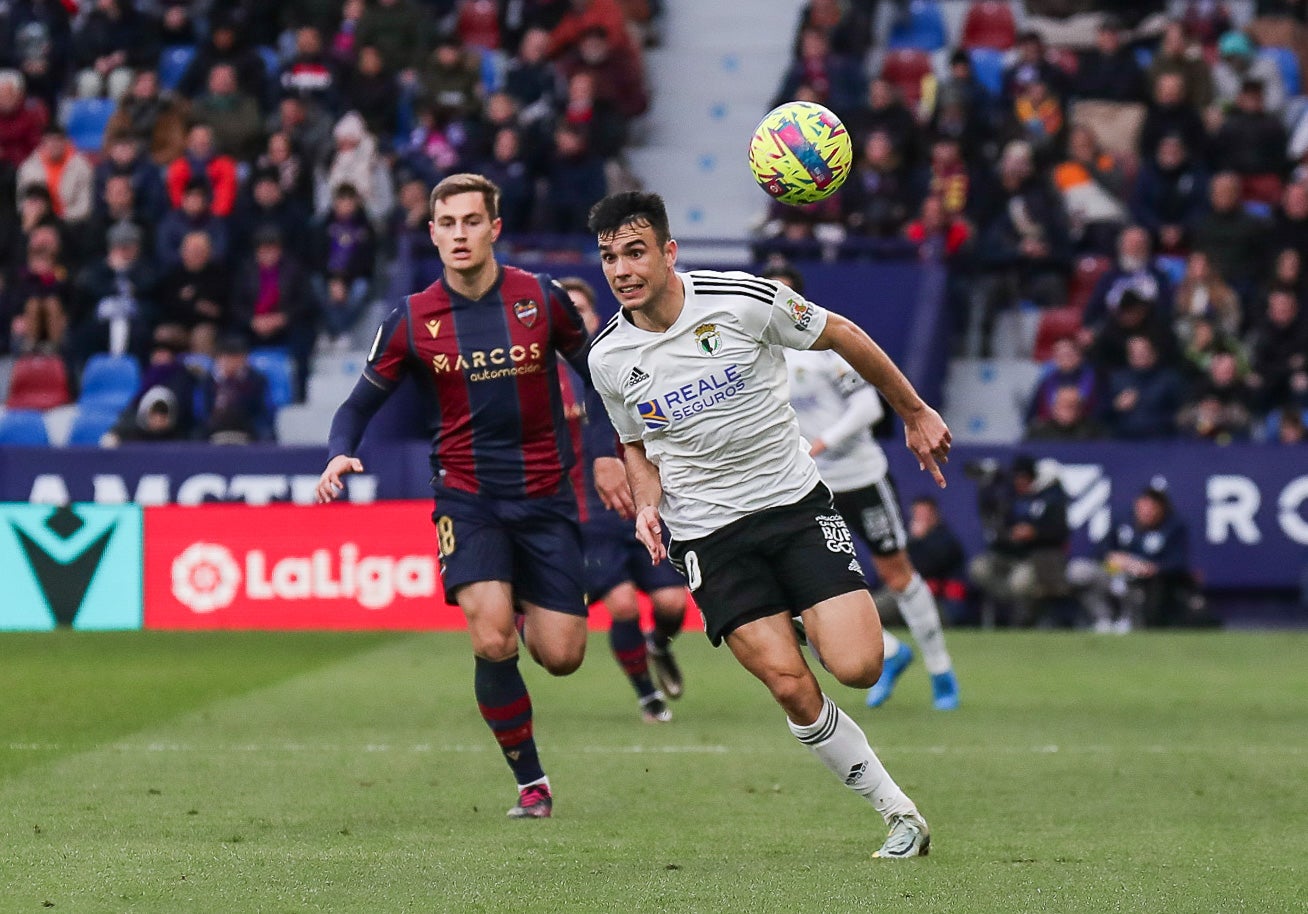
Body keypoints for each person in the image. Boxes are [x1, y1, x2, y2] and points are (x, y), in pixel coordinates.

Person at [587, 190, 950, 859]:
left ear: (669, 253)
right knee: (789, 683)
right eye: (609, 256)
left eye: (635, 252)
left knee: (860, 666)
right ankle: (899, 814)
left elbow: (841, 333)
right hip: (708, 535)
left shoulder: (740, 299)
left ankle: (803, 609)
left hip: (793, 508)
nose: (622, 269)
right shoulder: (608, 357)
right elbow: (634, 445)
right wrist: (645, 504)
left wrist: (914, 409)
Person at [315, 173, 631, 820]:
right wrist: (339, 450)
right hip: (467, 498)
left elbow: (600, 382)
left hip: (546, 498)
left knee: (563, 656)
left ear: (494, 228)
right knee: (492, 642)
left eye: (471, 221)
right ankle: (531, 782)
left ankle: (511, 600)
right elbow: (357, 404)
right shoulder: (410, 318)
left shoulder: (540, 299)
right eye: (447, 224)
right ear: (432, 233)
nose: (459, 234)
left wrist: (605, 453)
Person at [763, 263, 960, 711]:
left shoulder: (826, 350)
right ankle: (891, 652)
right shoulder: (757, 355)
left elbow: (870, 407)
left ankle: (941, 670)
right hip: (806, 486)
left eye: (786, 295)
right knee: (794, 583)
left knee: (896, 573)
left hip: (859, 476)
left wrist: (823, 442)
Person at [558, 276, 689, 721]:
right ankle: (646, 695)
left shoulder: (621, 362)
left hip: (642, 500)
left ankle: (658, 644)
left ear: (597, 316)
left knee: (673, 604)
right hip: (586, 512)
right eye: (566, 309)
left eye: (582, 308)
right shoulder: (539, 376)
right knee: (623, 605)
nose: (575, 317)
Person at [1068, 481, 1197, 631]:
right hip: (1114, 573)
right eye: (1144, 506)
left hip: (1144, 582)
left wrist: (1152, 568)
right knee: (1078, 572)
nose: (1147, 511)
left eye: (1152, 507)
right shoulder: (1123, 521)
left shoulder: (1174, 527)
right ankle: (1103, 619)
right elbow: (1100, 551)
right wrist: (1115, 558)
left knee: (1135, 585)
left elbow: (1179, 562)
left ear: (1162, 509)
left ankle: (1130, 621)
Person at [967, 454, 1071, 628]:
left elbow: (1060, 531)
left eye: (1024, 478)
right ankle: (1009, 607)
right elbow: (992, 523)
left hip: (1033, 558)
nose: (1019, 482)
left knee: (1020, 582)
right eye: (1017, 477)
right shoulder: (1006, 496)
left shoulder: (1049, 498)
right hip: (1005, 554)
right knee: (978, 568)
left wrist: (1035, 532)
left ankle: (1019, 621)